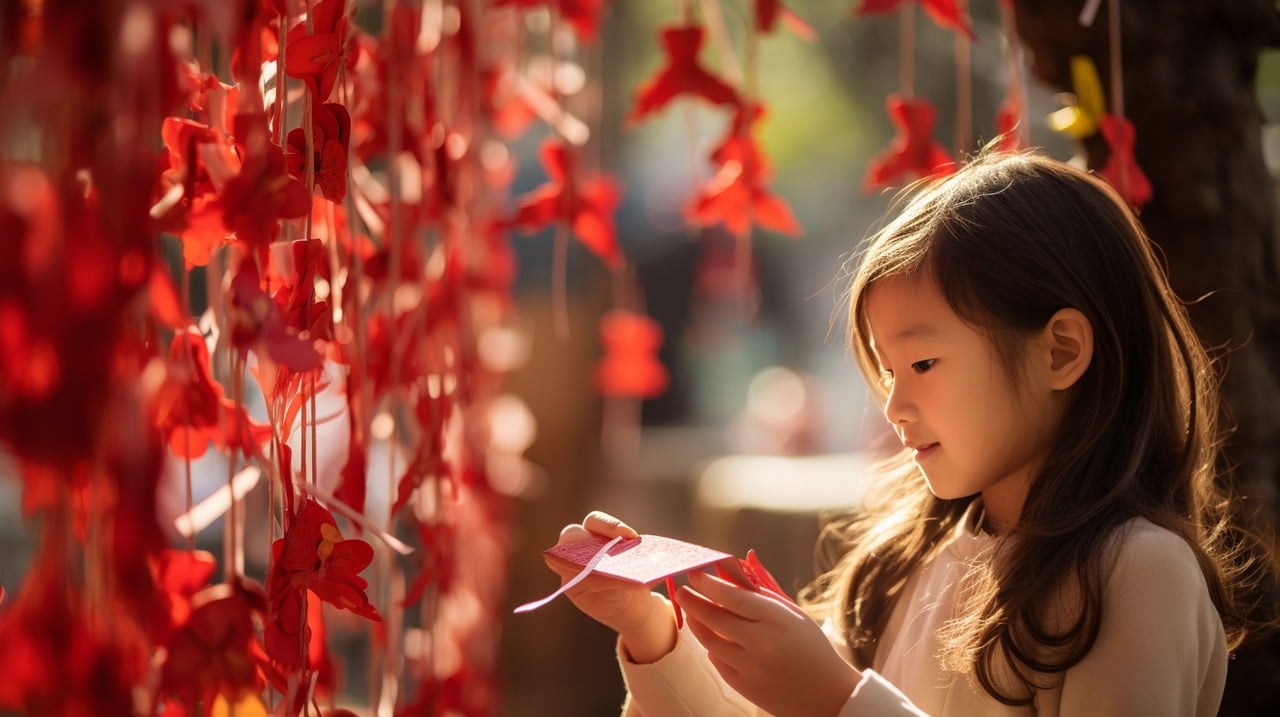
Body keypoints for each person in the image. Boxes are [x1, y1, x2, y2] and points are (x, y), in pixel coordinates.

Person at [544, 149, 1260, 716]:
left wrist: (836, 700)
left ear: (1062, 351)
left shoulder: (1138, 571)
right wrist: (650, 630)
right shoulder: (911, 559)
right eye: (887, 372)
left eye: (922, 362)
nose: (894, 405)